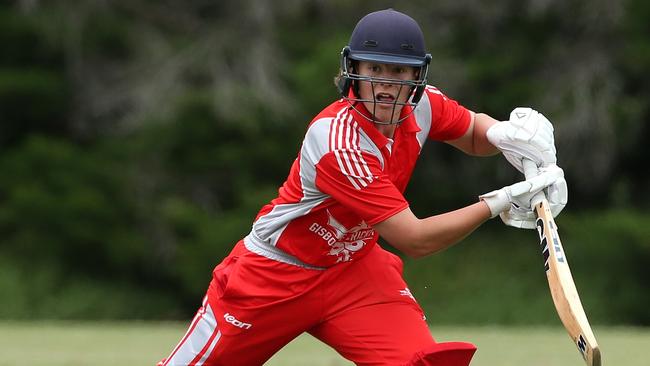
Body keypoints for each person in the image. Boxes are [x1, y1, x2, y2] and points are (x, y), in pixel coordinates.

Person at [157, 8, 568, 366]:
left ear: (416, 76)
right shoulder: (337, 140)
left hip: (352, 270)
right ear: (354, 71)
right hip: (275, 274)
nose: (386, 84)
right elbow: (414, 239)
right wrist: (502, 200)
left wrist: (507, 135)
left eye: (398, 71)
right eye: (375, 69)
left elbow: (473, 133)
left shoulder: (422, 105)